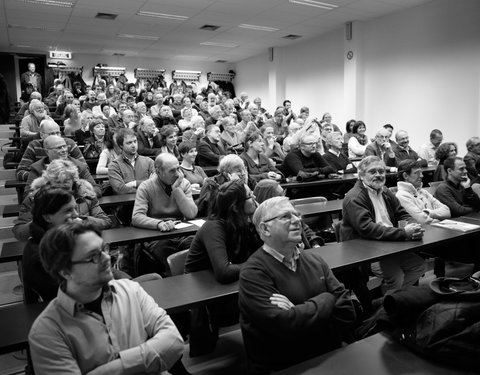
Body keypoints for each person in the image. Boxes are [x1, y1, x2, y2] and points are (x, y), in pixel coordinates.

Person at [28, 221, 185, 374]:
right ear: (65, 271)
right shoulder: (46, 331)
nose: (107, 258)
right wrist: (147, 358)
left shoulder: (131, 290)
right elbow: (165, 346)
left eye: (104, 249)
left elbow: (173, 341)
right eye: (93, 256)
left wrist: (117, 367)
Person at [238, 196, 356, 374]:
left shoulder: (315, 260)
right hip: (285, 365)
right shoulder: (253, 274)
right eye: (286, 216)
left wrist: (298, 312)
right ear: (265, 229)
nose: (297, 220)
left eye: (297, 214)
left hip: (329, 355)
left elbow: (348, 311)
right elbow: (283, 327)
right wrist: (328, 299)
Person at [340, 156, 426, 292]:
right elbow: (367, 229)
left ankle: (396, 299)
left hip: (389, 243)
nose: (378, 175)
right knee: (396, 277)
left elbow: (402, 213)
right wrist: (403, 233)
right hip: (366, 250)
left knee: (419, 266)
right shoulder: (354, 198)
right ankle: (393, 305)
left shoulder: (385, 191)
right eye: (372, 172)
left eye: (381, 171)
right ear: (361, 175)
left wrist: (415, 226)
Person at [13, 158, 112, 241]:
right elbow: (19, 231)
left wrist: (82, 221)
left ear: (74, 180)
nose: (61, 185)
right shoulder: (35, 198)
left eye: (66, 181)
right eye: (57, 181)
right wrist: (43, 222)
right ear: (48, 181)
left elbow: (105, 221)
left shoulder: (86, 194)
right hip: (50, 246)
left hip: (81, 242)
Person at [132, 153, 198, 275]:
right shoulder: (146, 187)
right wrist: (159, 224)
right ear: (158, 172)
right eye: (172, 171)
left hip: (181, 233)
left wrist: (177, 189)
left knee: (197, 253)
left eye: (178, 168)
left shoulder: (183, 184)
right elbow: (136, 217)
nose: (178, 174)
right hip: (157, 236)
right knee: (171, 261)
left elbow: (191, 214)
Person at [185, 179, 260, 282]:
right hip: (198, 287)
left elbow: (262, 253)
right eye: (250, 196)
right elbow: (224, 272)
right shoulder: (213, 228)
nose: (254, 198)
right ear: (235, 208)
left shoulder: (242, 223)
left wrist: (258, 220)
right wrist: (258, 264)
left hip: (224, 286)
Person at [26, 135, 101, 197]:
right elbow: (28, 194)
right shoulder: (37, 168)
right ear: (47, 151)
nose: (64, 150)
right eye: (59, 148)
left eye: (64, 146)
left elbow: (97, 189)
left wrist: (79, 191)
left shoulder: (79, 166)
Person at [16, 119, 85, 182]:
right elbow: (20, 172)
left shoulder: (69, 144)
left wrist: (65, 176)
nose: (56, 136)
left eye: (58, 133)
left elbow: (84, 167)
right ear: (42, 135)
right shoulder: (34, 146)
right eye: (51, 134)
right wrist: (44, 177)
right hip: (43, 187)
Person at [396, 159, 450, 224]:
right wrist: (440, 220)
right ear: (405, 176)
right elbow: (422, 220)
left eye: (421, 172)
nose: (422, 175)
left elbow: (447, 211)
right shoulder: (402, 196)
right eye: (417, 173)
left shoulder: (423, 192)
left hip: (436, 228)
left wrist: (429, 212)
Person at [108, 128, 155, 194]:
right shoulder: (114, 165)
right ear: (121, 145)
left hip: (148, 202)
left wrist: (134, 183)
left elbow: (156, 183)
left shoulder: (148, 161)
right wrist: (148, 184)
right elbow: (120, 189)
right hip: (127, 203)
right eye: (129, 143)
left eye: (135, 141)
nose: (133, 145)